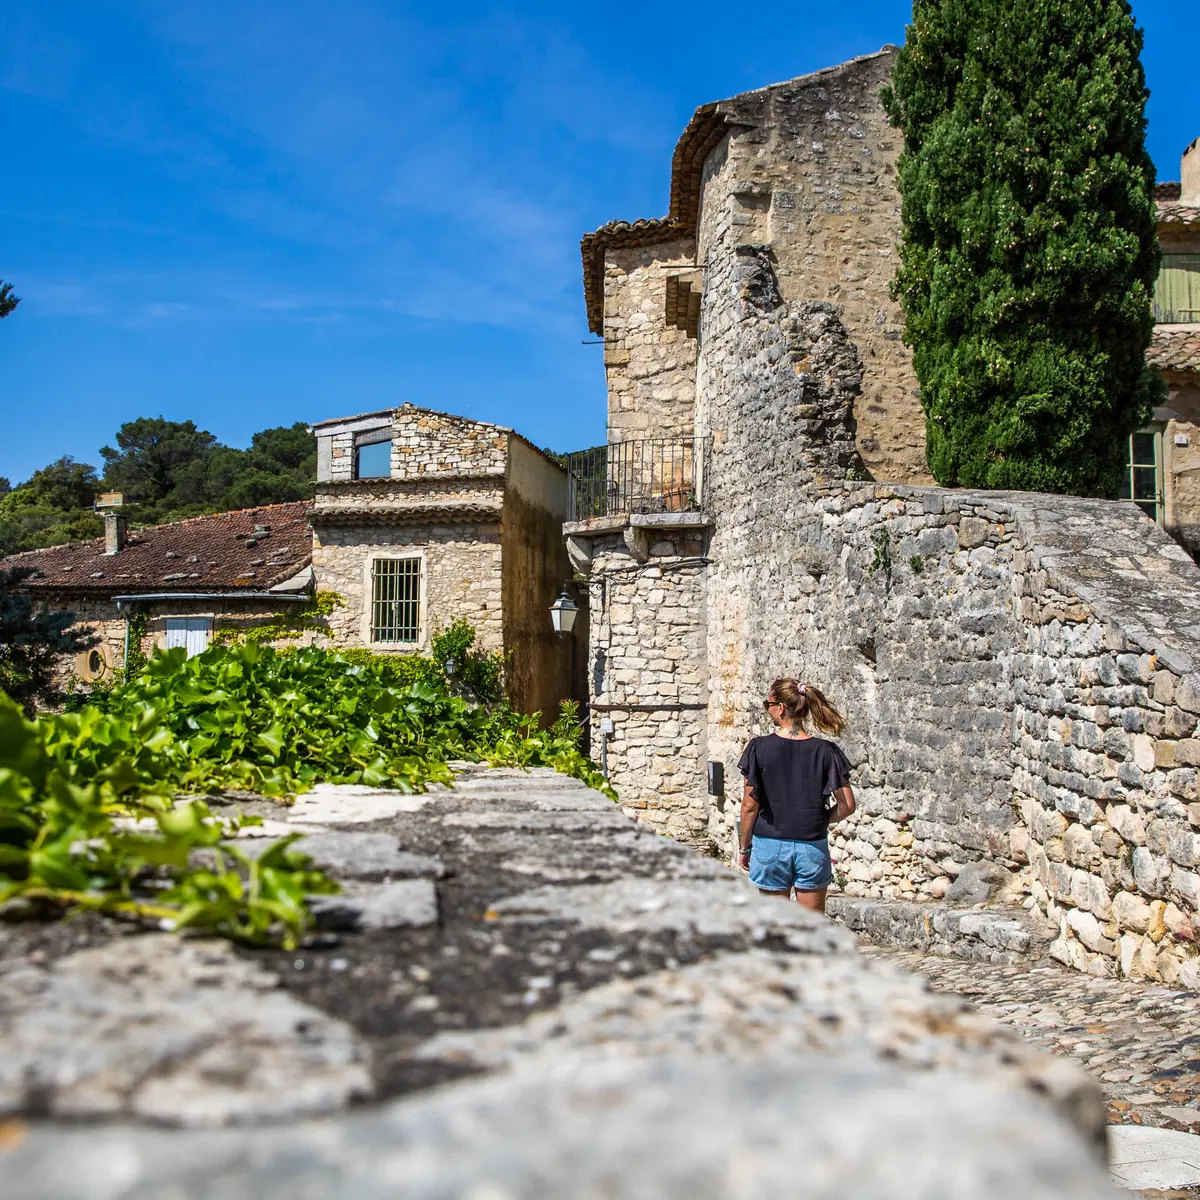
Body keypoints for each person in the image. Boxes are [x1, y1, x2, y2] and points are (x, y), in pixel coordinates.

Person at [736, 678, 856, 913]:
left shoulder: (759, 748)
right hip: (811, 845)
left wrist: (744, 848)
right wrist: (820, 818)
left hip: (770, 844)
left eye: (767, 704)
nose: (767, 709)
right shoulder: (826, 751)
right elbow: (847, 805)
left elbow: (749, 807)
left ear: (780, 708)